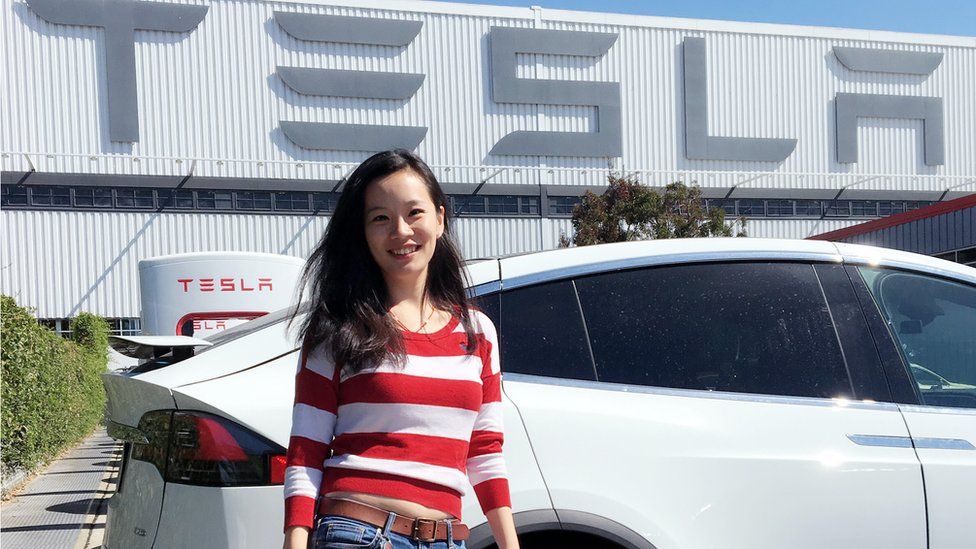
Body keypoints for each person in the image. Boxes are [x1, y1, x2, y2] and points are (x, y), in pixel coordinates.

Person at [282, 150, 519, 549]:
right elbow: (306, 450)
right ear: (362, 233)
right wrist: (295, 541)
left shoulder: (478, 332)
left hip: (446, 539)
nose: (400, 231)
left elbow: (485, 450)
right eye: (380, 218)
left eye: (414, 213)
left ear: (440, 219)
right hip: (357, 534)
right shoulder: (337, 327)